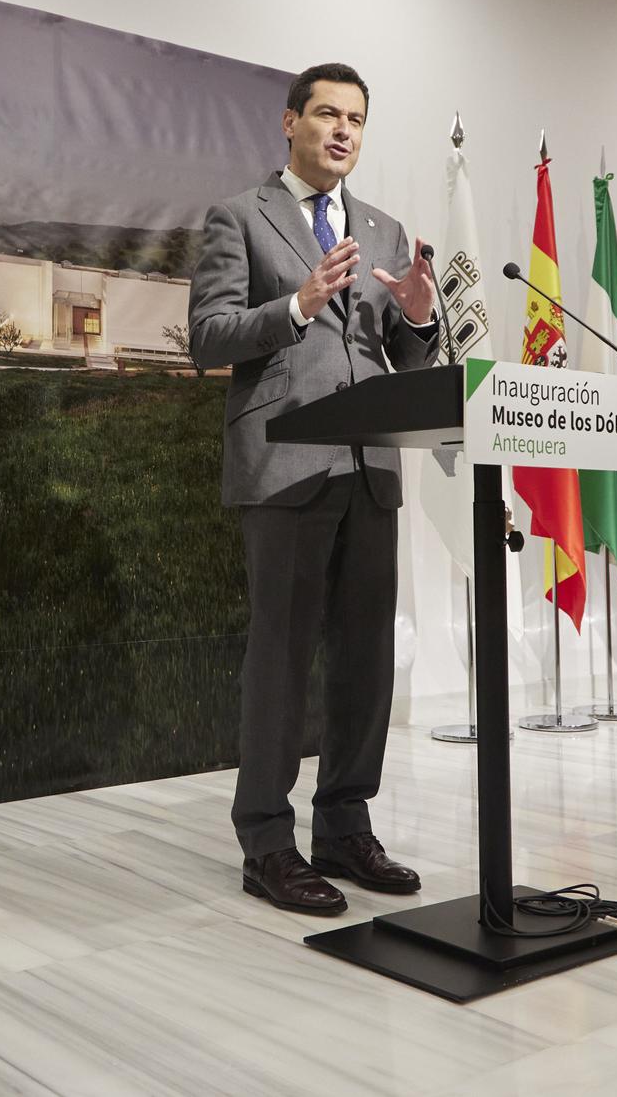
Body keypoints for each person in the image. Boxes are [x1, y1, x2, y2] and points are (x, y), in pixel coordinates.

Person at [186, 62, 439, 915]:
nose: (343, 131)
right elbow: (208, 336)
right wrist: (295, 306)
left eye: (357, 119)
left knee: (366, 658)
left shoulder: (386, 230)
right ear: (288, 123)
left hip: (369, 464)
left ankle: (344, 826)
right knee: (283, 658)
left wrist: (417, 318)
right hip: (285, 463)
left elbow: (408, 364)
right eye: (327, 114)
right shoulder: (239, 217)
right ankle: (266, 840)